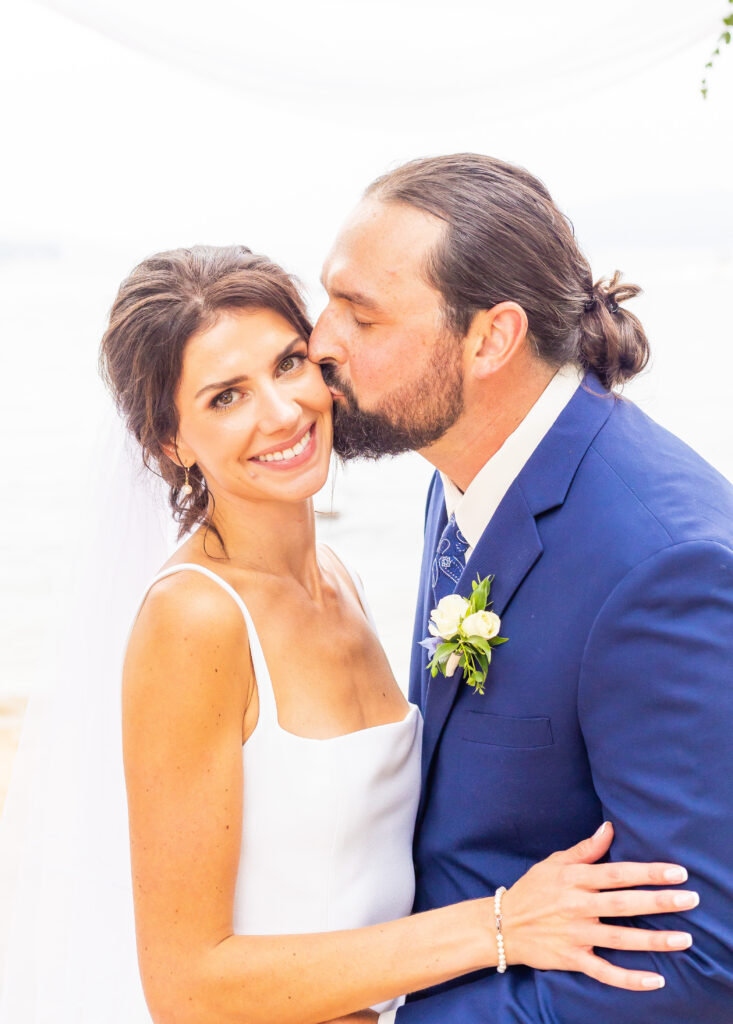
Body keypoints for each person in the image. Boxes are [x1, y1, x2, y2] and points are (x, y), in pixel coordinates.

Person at [93, 242, 698, 1024]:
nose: (280, 412)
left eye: (286, 364)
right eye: (224, 398)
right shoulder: (197, 619)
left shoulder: (338, 577)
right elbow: (187, 987)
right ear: (169, 444)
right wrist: (500, 925)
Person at [309, 153, 733, 1023]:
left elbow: (699, 966)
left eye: (360, 313)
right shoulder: (460, 471)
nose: (319, 341)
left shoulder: (662, 566)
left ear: (490, 339)